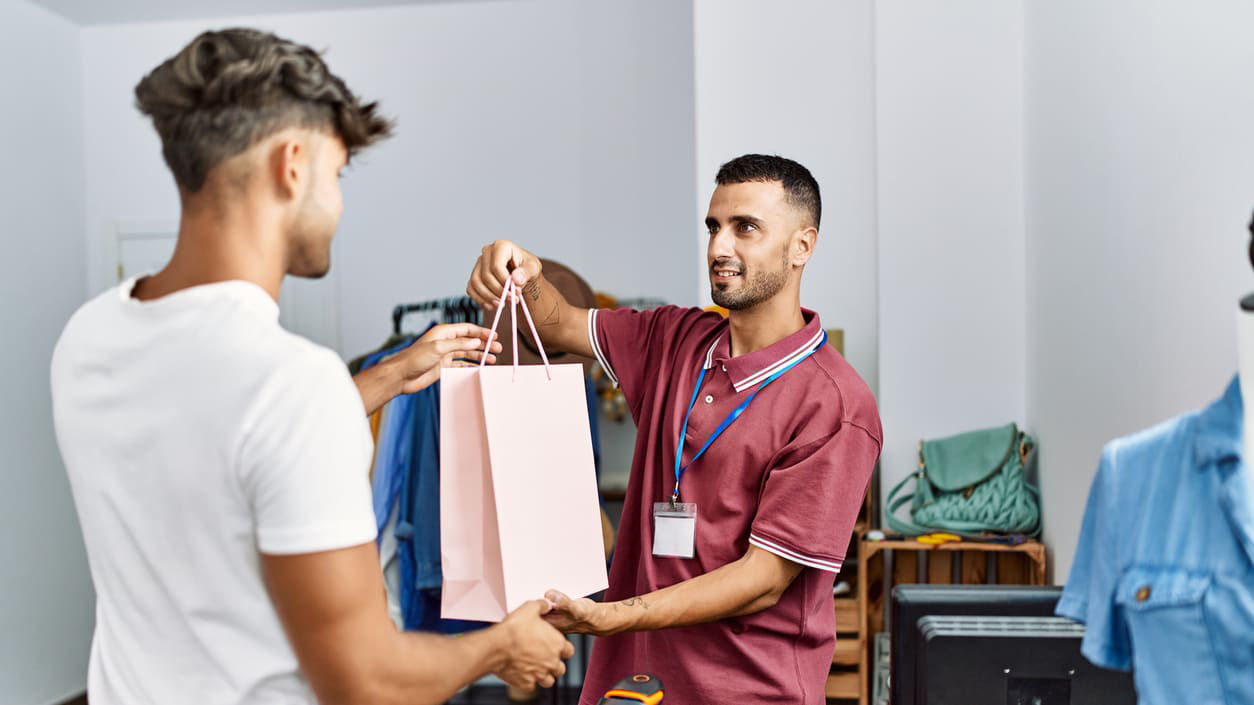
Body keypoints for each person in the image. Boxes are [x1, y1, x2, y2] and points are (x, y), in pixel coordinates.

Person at [51, 28, 571, 705]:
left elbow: (223, 439)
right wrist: (503, 645)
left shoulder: (90, 336)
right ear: (292, 165)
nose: (340, 202)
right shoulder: (291, 384)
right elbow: (366, 678)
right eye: (339, 173)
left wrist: (390, 375)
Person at [466, 154, 883, 703]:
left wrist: (613, 617)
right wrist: (518, 269)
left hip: (748, 693)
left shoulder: (837, 405)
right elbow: (558, 323)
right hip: (630, 688)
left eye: (746, 228)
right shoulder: (674, 338)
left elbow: (763, 580)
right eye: (714, 227)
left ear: (802, 246)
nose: (719, 248)